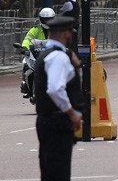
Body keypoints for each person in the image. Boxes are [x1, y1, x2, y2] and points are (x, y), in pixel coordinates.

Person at [34, 15, 83, 181]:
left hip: (48, 121)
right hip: (57, 122)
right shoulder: (58, 57)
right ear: (65, 33)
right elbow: (55, 89)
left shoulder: (47, 54)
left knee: (49, 171)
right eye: (70, 32)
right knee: (58, 173)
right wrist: (72, 113)